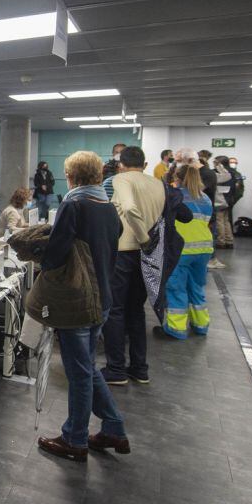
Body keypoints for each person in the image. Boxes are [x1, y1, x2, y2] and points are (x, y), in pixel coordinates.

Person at [37, 150, 128, 462]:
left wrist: (38, 254)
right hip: (102, 297)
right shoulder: (108, 206)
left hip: (77, 300)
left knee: (78, 373)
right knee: (86, 367)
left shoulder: (73, 204)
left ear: (72, 176)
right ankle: (113, 426)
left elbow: (56, 253)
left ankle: (74, 439)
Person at [102, 146, 165, 386]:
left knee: (115, 310)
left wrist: (142, 236)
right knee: (137, 311)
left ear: (121, 165)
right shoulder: (158, 183)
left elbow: (128, 208)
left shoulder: (121, 179)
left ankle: (116, 369)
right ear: (145, 164)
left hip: (125, 250)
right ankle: (140, 368)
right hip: (147, 255)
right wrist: (148, 243)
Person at [159, 158, 214, 339]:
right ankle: (201, 325)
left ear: (177, 177)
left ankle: (176, 329)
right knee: (196, 287)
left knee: (176, 289)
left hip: (181, 249)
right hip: (204, 249)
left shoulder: (174, 195)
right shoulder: (205, 198)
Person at [212, 156, 235, 249]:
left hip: (220, 200)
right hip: (229, 200)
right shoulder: (233, 172)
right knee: (226, 221)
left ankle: (221, 241)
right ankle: (229, 240)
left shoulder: (219, 173)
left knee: (219, 221)